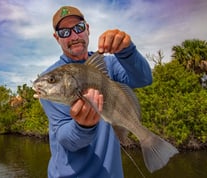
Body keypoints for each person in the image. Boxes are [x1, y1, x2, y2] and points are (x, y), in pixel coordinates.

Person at [40, 5, 152, 178]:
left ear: (88, 29)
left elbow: (144, 79)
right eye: (64, 32)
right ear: (57, 38)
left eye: (78, 28)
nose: (74, 36)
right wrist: (83, 127)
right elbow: (66, 139)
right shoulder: (51, 81)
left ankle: (148, 140)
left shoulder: (111, 65)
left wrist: (127, 51)